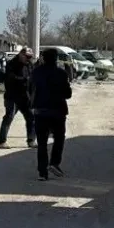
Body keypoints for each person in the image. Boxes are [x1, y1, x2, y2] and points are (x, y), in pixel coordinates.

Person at [29, 47, 73, 181]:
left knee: (42, 142)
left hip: (40, 111)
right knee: (59, 138)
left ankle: (42, 172)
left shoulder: (36, 72)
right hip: (58, 110)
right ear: (56, 58)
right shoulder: (61, 73)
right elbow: (68, 94)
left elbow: (30, 89)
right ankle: (54, 163)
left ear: (43, 58)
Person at [0, 48, 35, 149]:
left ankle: (31, 140)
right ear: (21, 55)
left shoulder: (29, 64)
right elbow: (10, 78)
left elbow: (32, 79)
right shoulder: (11, 64)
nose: (28, 59)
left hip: (25, 96)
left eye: (30, 57)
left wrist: (32, 95)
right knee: (9, 117)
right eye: (27, 57)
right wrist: (23, 80)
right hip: (12, 96)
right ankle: (1, 141)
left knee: (31, 117)